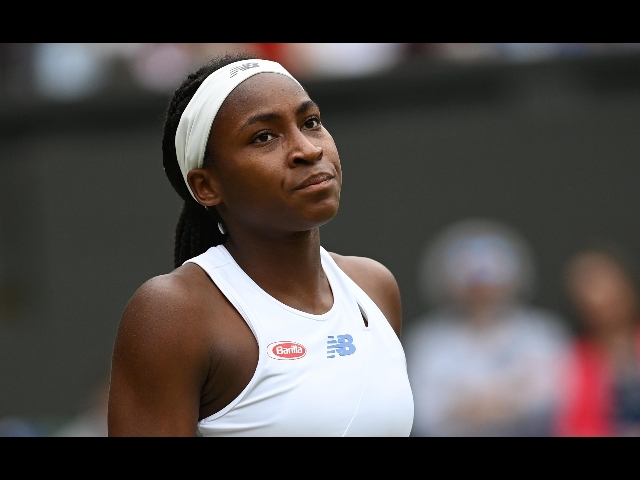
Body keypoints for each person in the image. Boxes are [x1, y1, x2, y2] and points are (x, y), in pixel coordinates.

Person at [107, 53, 414, 436]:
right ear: (206, 186)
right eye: (264, 137)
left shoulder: (374, 286)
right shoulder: (174, 313)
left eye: (311, 122)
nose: (308, 149)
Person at [404, 218, 568, 436]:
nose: (482, 294)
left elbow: (554, 400)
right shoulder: (427, 341)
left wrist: (468, 403)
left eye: (491, 284)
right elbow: (426, 413)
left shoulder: (542, 333)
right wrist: (511, 395)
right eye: (473, 287)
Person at [555, 246, 640, 436]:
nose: (598, 299)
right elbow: (578, 425)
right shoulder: (573, 358)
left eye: (608, 284)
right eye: (587, 288)